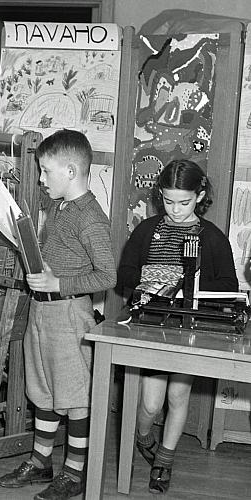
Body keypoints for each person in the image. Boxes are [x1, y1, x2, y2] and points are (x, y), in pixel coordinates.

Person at [0, 129, 116, 500]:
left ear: (70, 170)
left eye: (45, 171)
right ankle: (41, 461)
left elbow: (108, 275)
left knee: (74, 396)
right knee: (44, 391)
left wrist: (58, 283)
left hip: (68, 315)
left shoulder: (90, 217)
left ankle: (74, 474)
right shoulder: (56, 206)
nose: (40, 179)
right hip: (42, 312)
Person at [116, 159, 237, 494]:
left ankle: (164, 463)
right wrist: (149, 278)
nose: (176, 209)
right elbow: (123, 274)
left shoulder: (212, 237)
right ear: (160, 196)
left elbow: (228, 284)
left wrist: (190, 286)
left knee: (179, 393)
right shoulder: (148, 230)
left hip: (190, 325)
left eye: (184, 202)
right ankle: (144, 437)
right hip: (153, 322)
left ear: (199, 195)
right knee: (151, 404)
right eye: (168, 201)